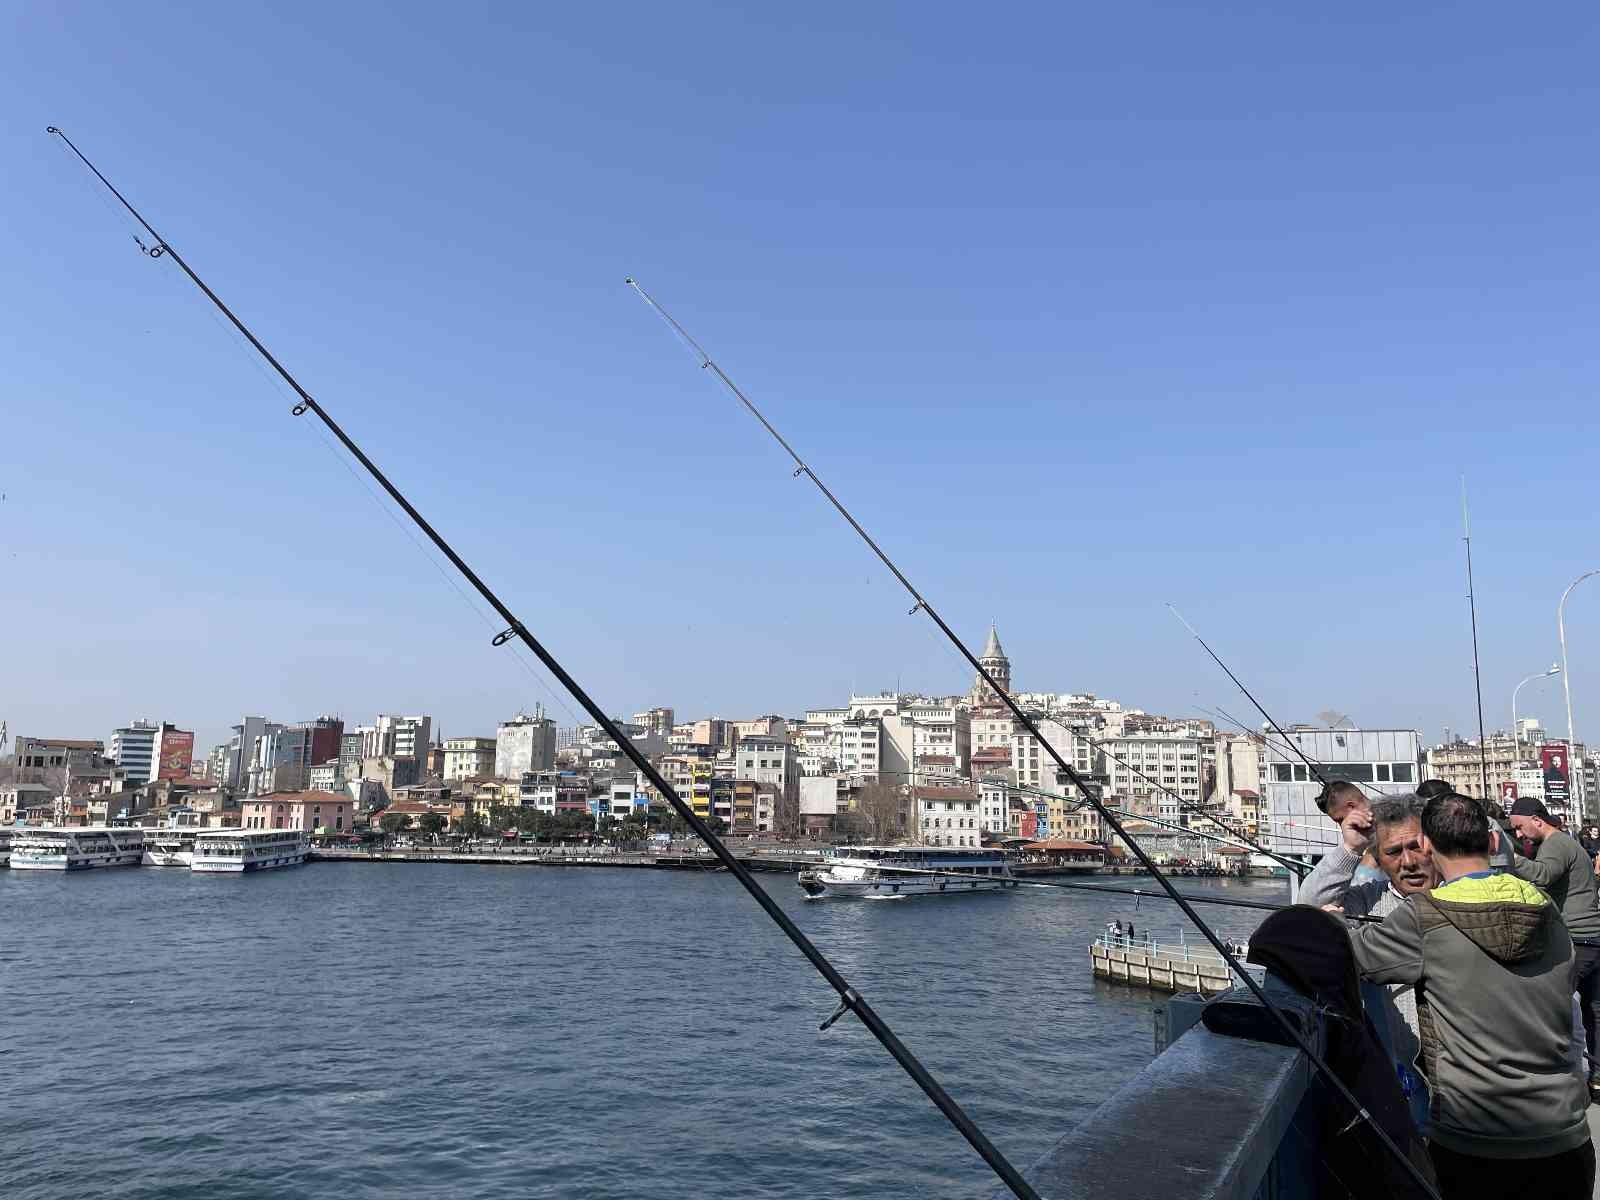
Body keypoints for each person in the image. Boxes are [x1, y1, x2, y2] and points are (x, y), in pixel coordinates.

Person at [1349, 792, 1592, 1197]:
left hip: (1472, 1142)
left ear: (1426, 845)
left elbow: (1347, 957)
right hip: (1564, 1138)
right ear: (1494, 842)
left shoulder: (1424, 917)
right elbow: (1570, 1009)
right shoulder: (1546, 908)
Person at [1300, 793, 1438, 1118]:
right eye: (1393, 851)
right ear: (1378, 857)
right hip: (1402, 1082)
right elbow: (1308, 906)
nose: (1408, 862)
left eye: (1415, 847)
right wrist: (1351, 847)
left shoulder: (1460, 895)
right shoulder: (1368, 900)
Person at [1507, 795, 1600, 1097]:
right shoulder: (1568, 843)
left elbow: (1543, 875)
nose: (1519, 835)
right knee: (1594, 1011)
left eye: (1520, 828)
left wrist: (1508, 855)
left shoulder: (1556, 844)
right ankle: (1597, 1078)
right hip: (1593, 939)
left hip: (1576, 939)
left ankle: (1563, 1083)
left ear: (1537, 820)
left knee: (1553, 1008)